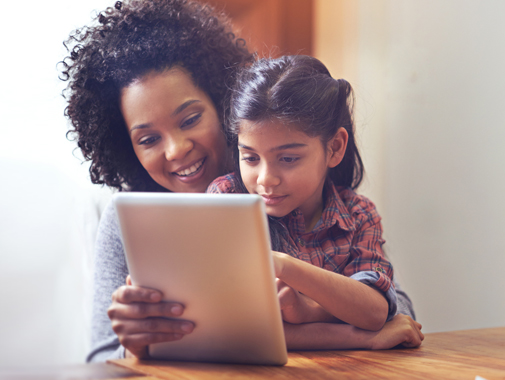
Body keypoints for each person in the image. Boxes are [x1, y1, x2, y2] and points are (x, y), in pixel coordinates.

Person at [61, 0, 420, 363]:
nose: (176, 149)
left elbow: (397, 311)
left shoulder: (293, 194)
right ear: (127, 147)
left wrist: (313, 309)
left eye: (189, 120)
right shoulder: (127, 220)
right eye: (148, 139)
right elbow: (103, 359)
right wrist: (137, 341)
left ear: (224, 107)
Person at [206, 55, 422, 343]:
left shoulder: (358, 214)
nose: (265, 178)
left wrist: (286, 271)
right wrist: (358, 337)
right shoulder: (226, 202)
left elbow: (375, 311)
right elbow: (231, 330)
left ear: (334, 148)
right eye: (250, 157)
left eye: (288, 158)